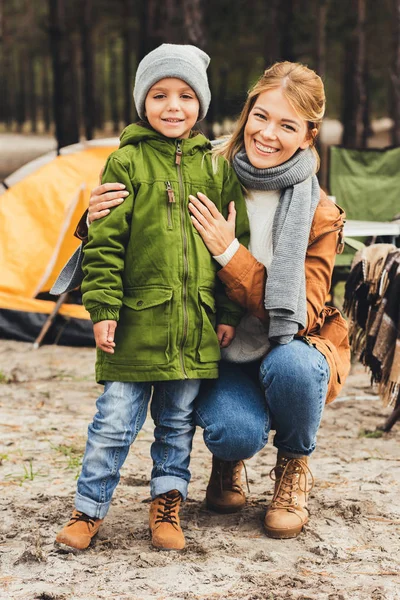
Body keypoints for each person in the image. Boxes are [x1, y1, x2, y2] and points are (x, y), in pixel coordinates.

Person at [80, 61, 351, 540]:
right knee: (234, 431)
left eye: (287, 125)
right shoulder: (208, 167)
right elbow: (144, 221)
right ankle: (229, 461)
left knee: (296, 366)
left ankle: (293, 467)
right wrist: (93, 216)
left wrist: (229, 253)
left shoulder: (320, 211)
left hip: (286, 344)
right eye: (260, 116)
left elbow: (303, 315)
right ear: (246, 113)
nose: (267, 134)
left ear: (309, 136)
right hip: (221, 346)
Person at [55, 43, 249, 552]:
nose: (173, 106)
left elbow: (235, 245)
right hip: (135, 323)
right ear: (143, 102)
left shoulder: (216, 168)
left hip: (193, 327)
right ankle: (88, 509)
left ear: (200, 105)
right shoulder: (126, 162)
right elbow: (105, 245)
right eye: (159, 94)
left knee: (177, 422)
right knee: (115, 419)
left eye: (186, 95)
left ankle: (167, 505)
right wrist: (101, 310)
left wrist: (227, 313)